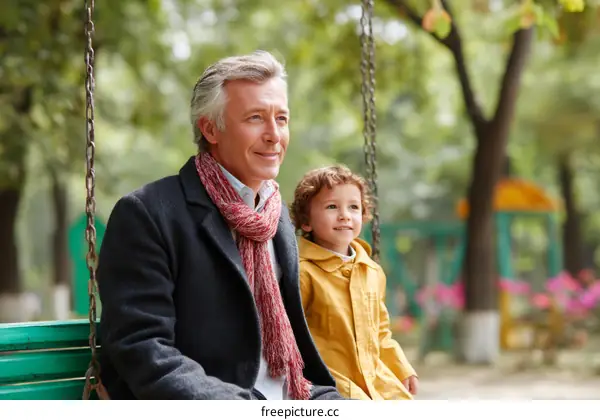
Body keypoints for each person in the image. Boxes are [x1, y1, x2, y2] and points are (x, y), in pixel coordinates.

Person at [96, 51, 344, 400]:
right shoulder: (147, 214)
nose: (275, 135)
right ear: (210, 128)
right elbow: (142, 347)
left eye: (282, 118)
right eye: (256, 118)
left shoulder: (276, 218)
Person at [290, 165, 419, 400]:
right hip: (333, 382)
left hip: (376, 379)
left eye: (353, 207)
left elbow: (381, 331)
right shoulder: (303, 272)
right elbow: (289, 335)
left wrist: (400, 366)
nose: (345, 215)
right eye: (332, 207)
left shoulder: (371, 270)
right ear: (306, 222)